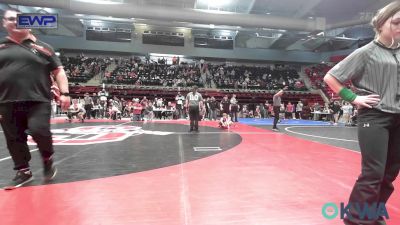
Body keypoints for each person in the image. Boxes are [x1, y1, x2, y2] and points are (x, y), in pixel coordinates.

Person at [324, 2, 400, 224]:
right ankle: (356, 220)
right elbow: (331, 77)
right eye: (395, 23)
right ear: (380, 23)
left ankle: (372, 215)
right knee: (373, 173)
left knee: (389, 175)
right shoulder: (366, 52)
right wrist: (354, 98)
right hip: (375, 116)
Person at [0, 9, 70, 189]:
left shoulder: (44, 47)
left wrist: (65, 93)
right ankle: (23, 171)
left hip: (38, 100)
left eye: (20, 19)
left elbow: (59, 71)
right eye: (10, 19)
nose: (15, 22)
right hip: (6, 102)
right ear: (4, 23)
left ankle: (47, 159)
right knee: (13, 138)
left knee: (39, 130)